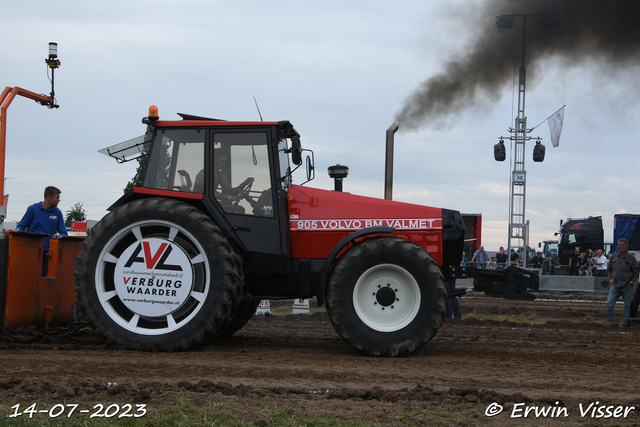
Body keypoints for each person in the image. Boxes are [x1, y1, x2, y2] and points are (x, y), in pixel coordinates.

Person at [9, 186, 68, 276]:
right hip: (32, 250)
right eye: (57, 197)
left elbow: (64, 232)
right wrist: (16, 230)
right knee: (30, 276)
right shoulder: (33, 209)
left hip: (48, 253)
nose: (59, 200)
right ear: (49, 197)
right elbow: (21, 225)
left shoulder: (57, 212)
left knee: (44, 278)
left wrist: (61, 236)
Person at [606, 238, 639, 326]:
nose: (620, 247)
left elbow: (636, 273)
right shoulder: (613, 256)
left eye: (622, 245)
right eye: (619, 245)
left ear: (626, 246)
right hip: (615, 285)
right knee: (609, 303)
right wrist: (611, 279)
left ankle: (626, 323)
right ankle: (611, 322)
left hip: (627, 286)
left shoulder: (631, 258)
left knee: (627, 306)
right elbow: (609, 270)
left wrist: (631, 282)